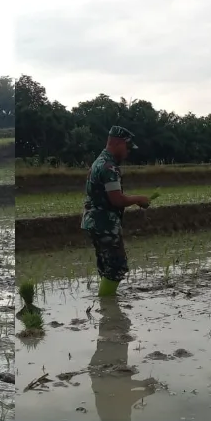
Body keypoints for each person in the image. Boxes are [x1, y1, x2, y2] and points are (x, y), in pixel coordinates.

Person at [81, 126, 152, 298]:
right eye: (127, 148)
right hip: (104, 223)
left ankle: (107, 304)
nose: (128, 153)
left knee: (106, 266)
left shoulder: (98, 162)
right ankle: (106, 302)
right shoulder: (109, 167)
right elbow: (117, 200)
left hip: (94, 222)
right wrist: (139, 199)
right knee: (117, 266)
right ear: (118, 143)